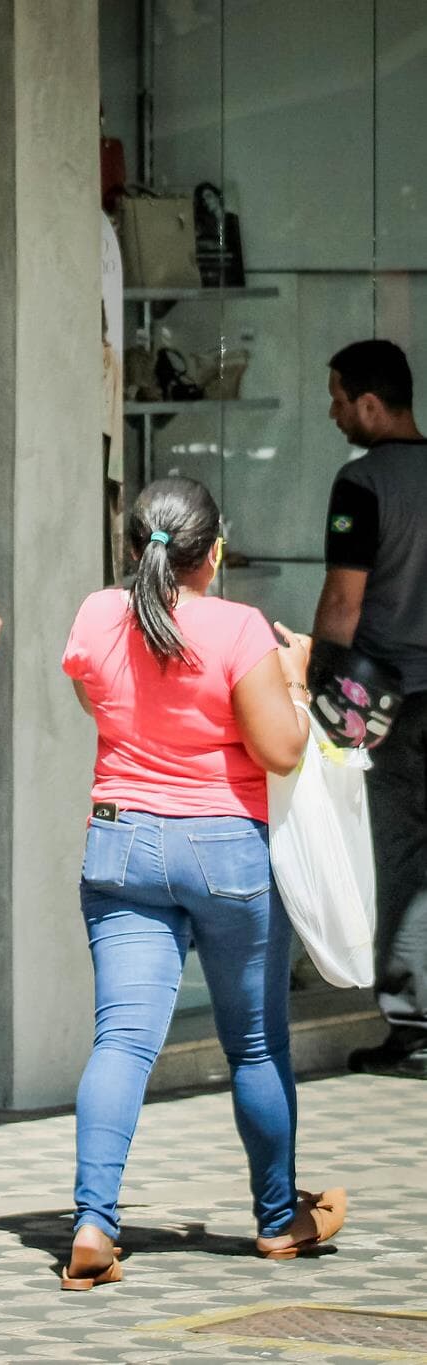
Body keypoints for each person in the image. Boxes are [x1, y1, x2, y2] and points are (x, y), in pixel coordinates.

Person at [58, 476, 346, 1289]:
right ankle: (277, 1218)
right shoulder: (239, 628)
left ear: (134, 546)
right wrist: (294, 673)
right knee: (255, 1044)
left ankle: (92, 1220)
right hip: (224, 849)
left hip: (120, 845)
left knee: (122, 1040)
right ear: (212, 551)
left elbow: (104, 708)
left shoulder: (92, 615)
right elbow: (283, 750)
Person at [312, 340, 427, 1078]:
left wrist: (316, 677)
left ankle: (414, 1027)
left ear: (371, 405)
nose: (332, 411)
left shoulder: (361, 484)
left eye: (338, 398)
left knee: (406, 858)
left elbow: (343, 602)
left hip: (397, 701)